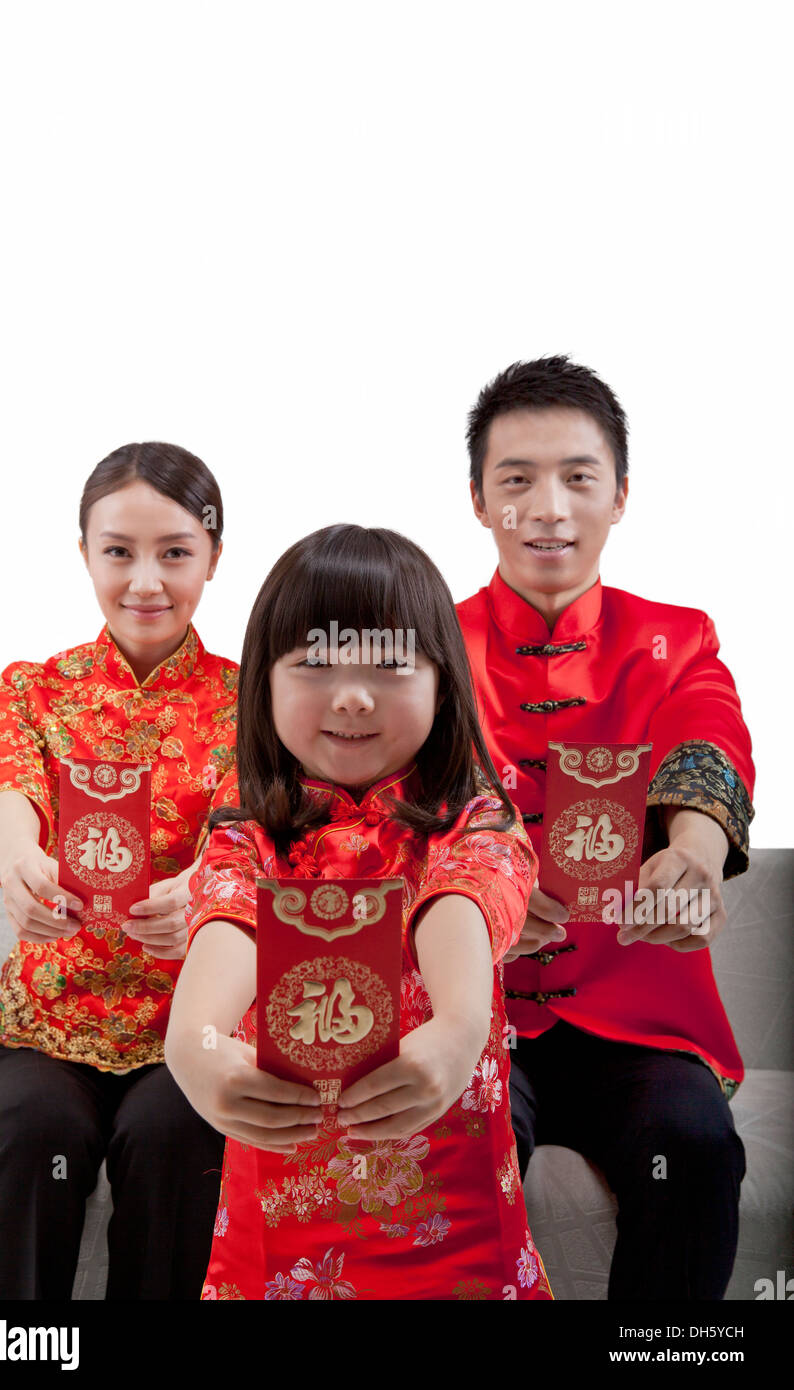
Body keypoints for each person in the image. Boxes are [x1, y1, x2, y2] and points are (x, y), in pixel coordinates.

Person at [165, 524, 553, 1301]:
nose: (350, 694)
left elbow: (469, 895)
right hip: (278, 1244)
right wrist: (195, 1047)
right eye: (313, 664)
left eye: (388, 665)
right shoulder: (245, 824)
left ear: (443, 681)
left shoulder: (475, 817)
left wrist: (456, 1026)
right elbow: (229, 922)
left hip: (456, 1234)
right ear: (262, 685)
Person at [457, 356, 755, 1301]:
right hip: (475, 1010)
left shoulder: (677, 640)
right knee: (453, 1143)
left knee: (696, 1145)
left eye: (578, 477)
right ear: (478, 500)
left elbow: (709, 738)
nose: (549, 507)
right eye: (517, 480)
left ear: (620, 495)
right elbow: (391, 799)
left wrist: (694, 850)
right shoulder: (426, 647)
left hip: (638, 1017)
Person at [0, 441, 239, 1300]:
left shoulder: (252, 703)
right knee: (33, 1126)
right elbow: (9, 790)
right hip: (42, 1027)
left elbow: (244, 829)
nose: (146, 581)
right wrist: (21, 864)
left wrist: (200, 892)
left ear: (214, 557)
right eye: (119, 552)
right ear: (85, 554)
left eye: (175, 553)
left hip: (189, 1027)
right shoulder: (32, 689)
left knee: (180, 1137)